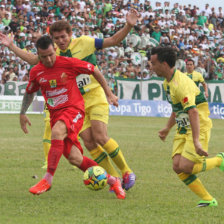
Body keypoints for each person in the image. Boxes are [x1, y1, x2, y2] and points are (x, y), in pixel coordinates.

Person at [0, 10, 139, 191]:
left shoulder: (86, 43)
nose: (60, 41)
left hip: (94, 94)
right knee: (89, 142)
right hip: (74, 101)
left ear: (70, 34)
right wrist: (11, 46)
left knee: (99, 135)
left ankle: (127, 171)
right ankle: (113, 179)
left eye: (63, 37)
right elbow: (34, 61)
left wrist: (128, 25)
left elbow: (113, 41)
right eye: (56, 38)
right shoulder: (52, 53)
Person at [20, 35, 125, 199]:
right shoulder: (36, 71)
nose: (48, 59)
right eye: (43, 57)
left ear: (55, 50)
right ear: (38, 55)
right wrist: (22, 113)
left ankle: (47, 179)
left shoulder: (68, 63)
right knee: (75, 158)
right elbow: (30, 91)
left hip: (74, 109)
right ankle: (114, 181)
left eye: (50, 55)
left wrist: (109, 93)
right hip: (56, 114)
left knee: (56, 132)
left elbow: (94, 69)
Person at [150, 46, 224, 207]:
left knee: (186, 166)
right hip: (183, 128)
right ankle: (207, 199)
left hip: (199, 125)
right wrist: (167, 128)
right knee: (177, 166)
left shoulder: (181, 84)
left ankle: (219, 160)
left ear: (164, 64)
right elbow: (177, 109)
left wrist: (196, 141)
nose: (150, 66)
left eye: (153, 63)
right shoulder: (166, 83)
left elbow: (194, 112)